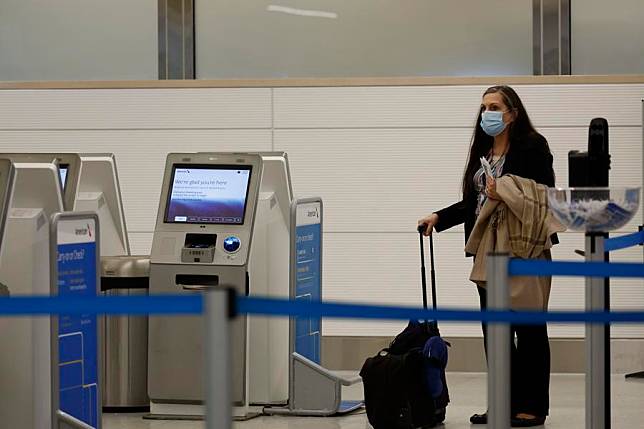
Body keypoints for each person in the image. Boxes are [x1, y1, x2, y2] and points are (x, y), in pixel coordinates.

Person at [418, 85, 556, 427]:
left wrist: (505, 190)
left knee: (529, 329)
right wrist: (440, 217)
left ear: (513, 112)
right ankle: (503, 402)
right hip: (488, 252)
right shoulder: (484, 150)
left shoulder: (532, 147)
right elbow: (474, 203)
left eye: (494, 106)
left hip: (523, 248)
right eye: (483, 107)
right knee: (493, 331)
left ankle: (532, 407)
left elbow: (543, 196)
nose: (487, 114)